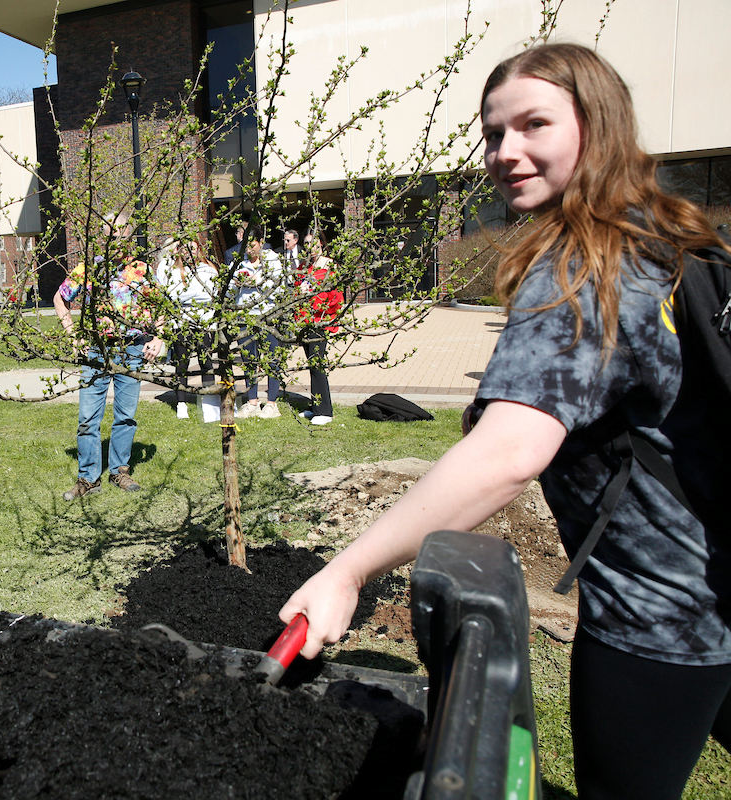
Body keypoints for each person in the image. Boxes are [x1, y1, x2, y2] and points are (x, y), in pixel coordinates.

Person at [280, 43, 731, 800]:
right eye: (493, 133)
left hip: (660, 621)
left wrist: (347, 570)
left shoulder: (587, 263)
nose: (505, 152)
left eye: (534, 125)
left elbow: (511, 452)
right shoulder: (675, 236)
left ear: (598, 127)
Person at [53, 214, 166, 500]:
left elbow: (161, 305)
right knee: (88, 417)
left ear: (129, 236)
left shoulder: (140, 270)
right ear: (102, 238)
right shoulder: (90, 269)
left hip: (132, 349)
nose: (116, 241)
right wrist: (72, 333)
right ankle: (88, 478)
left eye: (121, 235)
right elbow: (60, 298)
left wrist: (158, 337)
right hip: (96, 349)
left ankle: (119, 471)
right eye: (110, 235)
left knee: (125, 416)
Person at [156, 238, 218, 419]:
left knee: (205, 361)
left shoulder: (209, 268)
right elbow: (174, 295)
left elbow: (210, 294)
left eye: (193, 248)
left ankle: (209, 400)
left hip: (205, 322)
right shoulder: (174, 271)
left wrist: (190, 294)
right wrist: (195, 294)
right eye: (186, 249)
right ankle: (181, 403)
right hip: (181, 322)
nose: (190, 253)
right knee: (181, 363)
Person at [234, 225, 284, 419]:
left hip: (268, 315)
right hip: (245, 316)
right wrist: (236, 283)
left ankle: (271, 403)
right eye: (245, 246)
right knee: (248, 359)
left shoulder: (272, 261)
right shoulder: (239, 263)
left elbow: (278, 287)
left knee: (272, 358)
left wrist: (259, 281)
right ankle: (252, 400)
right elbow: (230, 289)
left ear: (261, 242)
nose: (249, 250)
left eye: (252, 245)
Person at [294, 230, 342, 425]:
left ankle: (324, 410)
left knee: (317, 364)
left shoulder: (329, 266)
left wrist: (317, 307)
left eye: (313, 244)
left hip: (319, 321)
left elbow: (335, 297)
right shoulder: (305, 267)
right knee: (312, 364)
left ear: (322, 243)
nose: (310, 248)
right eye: (306, 244)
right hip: (305, 321)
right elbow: (297, 288)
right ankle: (316, 405)